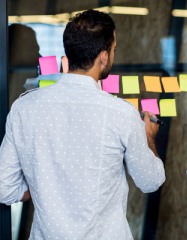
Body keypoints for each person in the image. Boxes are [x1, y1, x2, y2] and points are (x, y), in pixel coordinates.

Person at [0, 9, 165, 239]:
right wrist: (148, 136)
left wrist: (42, 187)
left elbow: (5, 189)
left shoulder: (23, 109)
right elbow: (150, 181)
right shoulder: (121, 114)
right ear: (103, 57)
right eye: (113, 49)